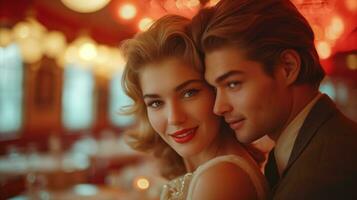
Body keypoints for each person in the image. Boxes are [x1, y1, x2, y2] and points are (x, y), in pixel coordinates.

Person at [190, 0, 357, 199]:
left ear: (288, 67)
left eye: (233, 84)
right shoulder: (316, 147)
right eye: (215, 89)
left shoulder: (325, 174)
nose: (218, 107)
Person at [120, 15, 269, 199]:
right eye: (156, 103)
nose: (174, 117)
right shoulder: (210, 171)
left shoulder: (221, 179)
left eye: (189, 93)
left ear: (216, 90)